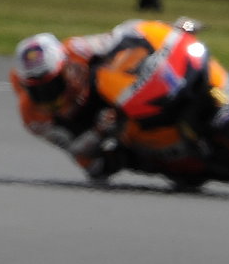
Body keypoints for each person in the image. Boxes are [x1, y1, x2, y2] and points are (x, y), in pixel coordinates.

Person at [9, 28, 138, 181]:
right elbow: (75, 149)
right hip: (88, 126)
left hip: (113, 91)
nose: (47, 95)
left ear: (65, 67)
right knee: (96, 167)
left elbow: (124, 36)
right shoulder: (33, 117)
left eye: (52, 85)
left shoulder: (77, 48)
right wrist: (98, 131)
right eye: (36, 90)